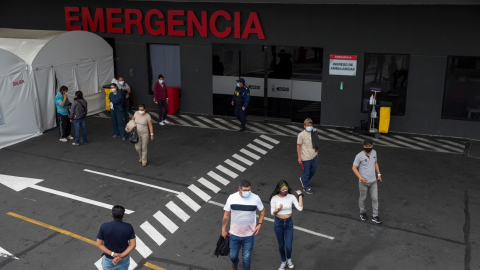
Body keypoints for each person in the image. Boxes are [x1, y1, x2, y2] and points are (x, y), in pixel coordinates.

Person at [222, 180, 265, 270]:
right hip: (234, 234)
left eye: (249, 190)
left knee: (246, 257)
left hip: (249, 235)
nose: (247, 192)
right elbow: (226, 215)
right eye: (245, 190)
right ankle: (235, 264)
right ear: (239, 190)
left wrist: (259, 224)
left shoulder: (255, 198)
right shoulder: (232, 198)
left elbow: (262, 210)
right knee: (232, 256)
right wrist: (223, 229)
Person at [269, 180, 303, 270]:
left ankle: (289, 259)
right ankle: (283, 261)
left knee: (288, 246)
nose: (285, 191)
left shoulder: (291, 197)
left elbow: (300, 208)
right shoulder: (274, 198)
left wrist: (300, 196)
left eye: (286, 189)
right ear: (278, 190)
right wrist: (278, 210)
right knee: (281, 244)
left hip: (289, 223)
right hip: (278, 223)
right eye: (283, 190)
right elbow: (272, 213)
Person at [352, 139, 383, 224]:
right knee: (363, 198)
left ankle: (375, 216)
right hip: (363, 182)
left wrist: (379, 174)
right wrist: (361, 178)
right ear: (363, 146)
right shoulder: (359, 156)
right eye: (366, 146)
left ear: (372, 146)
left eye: (369, 146)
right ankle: (362, 212)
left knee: (375, 198)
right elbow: (354, 168)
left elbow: (375, 163)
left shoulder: (374, 153)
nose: (367, 147)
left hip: (373, 181)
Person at [96, 205, 136, 270]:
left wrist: (113, 254)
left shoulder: (104, 226)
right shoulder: (129, 227)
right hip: (123, 259)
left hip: (109, 260)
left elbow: (99, 244)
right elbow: (133, 245)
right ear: (123, 215)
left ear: (111, 214)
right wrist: (121, 256)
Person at [297, 118, 319, 195]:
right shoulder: (301, 135)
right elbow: (298, 146)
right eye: (308, 125)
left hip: (314, 156)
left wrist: (317, 151)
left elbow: (316, 141)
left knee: (312, 171)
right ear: (304, 126)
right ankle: (306, 187)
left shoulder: (314, 132)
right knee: (306, 172)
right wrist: (299, 157)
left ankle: (303, 180)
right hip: (305, 158)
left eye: (311, 125)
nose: (309, 126)